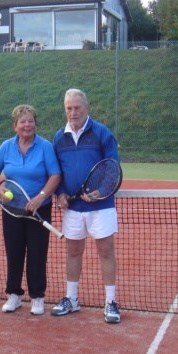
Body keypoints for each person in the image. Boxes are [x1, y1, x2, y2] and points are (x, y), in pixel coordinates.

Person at [51, 88, 122, 323]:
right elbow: (57, 171)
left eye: (77, 108)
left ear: (87, 108)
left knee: (106, 252)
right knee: (73, 252)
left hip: (101, 207)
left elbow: (112, 167)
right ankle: (72, 299)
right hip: (72, 208)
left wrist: (101, 191)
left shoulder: (102, 133)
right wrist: (60, 193)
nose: (73, 112)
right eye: (69, 108)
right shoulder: (59, 137)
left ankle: (110, 302)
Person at [0, 105, 61, 315]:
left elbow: (55, 175)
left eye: (30, 121)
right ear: (15, 126)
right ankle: (14, 295)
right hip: (12, 210)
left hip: (39, 210)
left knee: (37, 254)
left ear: (35, 124)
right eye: (22, 122)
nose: (27, 125)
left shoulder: (45, 146)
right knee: (14, 252)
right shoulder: (6, 147)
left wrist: (41, 197)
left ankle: (37, 297)